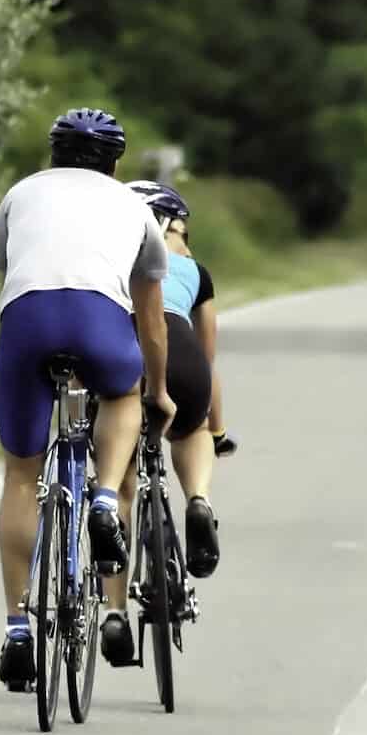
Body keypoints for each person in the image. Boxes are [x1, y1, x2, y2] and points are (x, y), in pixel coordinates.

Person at [0, 107, 177, 690]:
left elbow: (9, 266)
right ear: (115, 162)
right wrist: (160, 390)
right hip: (99, 324)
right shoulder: (135, 208)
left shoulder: (20, 194)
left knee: (22, 476)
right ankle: (100, 498)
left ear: (53, 153)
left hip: (27, 323)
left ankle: (18, 627)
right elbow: (150, 322)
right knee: (124, 394)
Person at [98, 180, 235, 665]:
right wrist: (215, 431)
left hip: (125, 355)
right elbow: (209, 359)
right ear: (176, 227)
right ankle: (198, 499)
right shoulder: (196, 271)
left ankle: (114, 613)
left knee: (120, 482)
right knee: (190, 429)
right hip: (183, 352)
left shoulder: (115, 260)